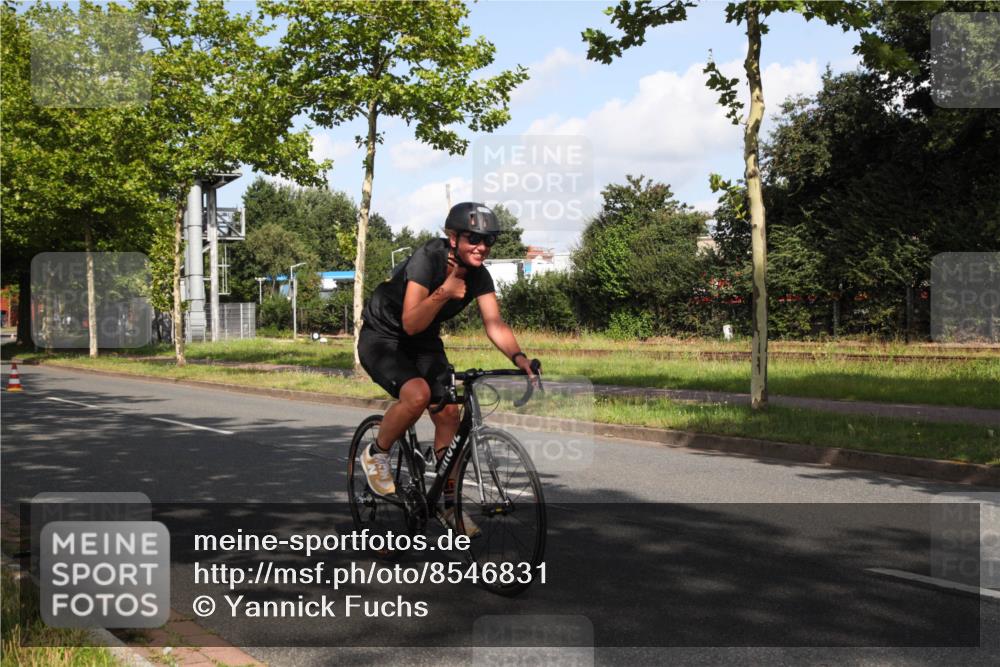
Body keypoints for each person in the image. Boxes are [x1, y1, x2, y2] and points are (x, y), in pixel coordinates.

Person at [357, 202, 537, 536]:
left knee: (450, 413)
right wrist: (445, 291)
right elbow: (410, 322)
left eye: (488, 240)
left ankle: (445, 502)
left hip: (423, 340)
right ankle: (376, 453)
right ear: (452, 237)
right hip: (384, 336)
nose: (481, 247)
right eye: (473, 239)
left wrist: (520, 358)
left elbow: (494, 323)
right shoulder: (429, 258)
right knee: (417, 395)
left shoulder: (480, 275)